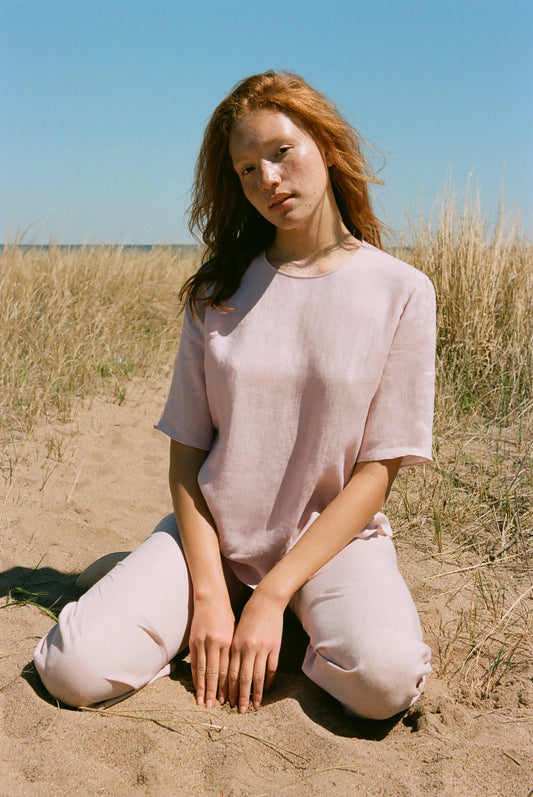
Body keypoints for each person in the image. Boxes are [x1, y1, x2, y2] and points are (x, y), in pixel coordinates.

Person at [34, 71, 436, 720]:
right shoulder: (216, 292)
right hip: (216, 539)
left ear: (326, 146)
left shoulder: (402, 290)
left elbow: (375, 473)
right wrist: (209, 597)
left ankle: (292, 611)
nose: (267, 179)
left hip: (332, 546)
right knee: (71, 670)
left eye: (281, 152)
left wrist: (274, 595)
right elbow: (187, 456)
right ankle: (156, 579)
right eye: (247, 170)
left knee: (384, 682)